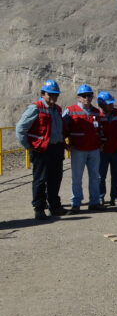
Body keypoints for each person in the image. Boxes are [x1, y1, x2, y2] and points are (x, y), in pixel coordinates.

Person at [16, 79, 66, 220]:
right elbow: (20, 128)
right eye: (50, 94)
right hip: (41, 150)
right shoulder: (35, 108)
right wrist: (28, 146)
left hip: (56, 148)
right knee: (40, 180)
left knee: (55, 178)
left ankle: (54, 206)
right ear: (43, 94)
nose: (53, 98)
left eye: (55, 95)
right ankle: (39, 208)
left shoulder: (57, 109)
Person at [63, 84, 104, 212]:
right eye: (84, 96)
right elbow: (61, 128)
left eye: (89, 95)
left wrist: (101, 143)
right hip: (78, 150)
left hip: (94, 149)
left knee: (95, 177)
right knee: (76, 177)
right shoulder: (70, 110)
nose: (87, 98)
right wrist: (65, 144)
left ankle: (94, 202)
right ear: (79, 97)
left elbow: (100, 130)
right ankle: (76, 203)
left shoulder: (96, 112)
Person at [97, 91, 117, 207]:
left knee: (116, 175)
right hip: (102, 151)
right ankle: (100, 197)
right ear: (101, 105)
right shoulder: (96, 115)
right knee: (100, 176)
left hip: (116, 150)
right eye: (109, 104)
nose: (112, 105)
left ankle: (115, 196)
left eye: (112, 103)